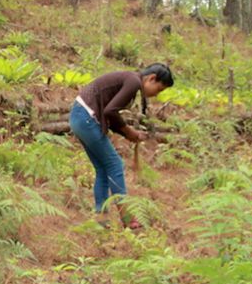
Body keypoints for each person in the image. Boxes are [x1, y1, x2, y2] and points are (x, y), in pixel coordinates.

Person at [68, 63, 174, 226]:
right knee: (115, 164)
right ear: (151, 78)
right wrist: (128, 131)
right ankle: (127, 217)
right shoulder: (133, 81)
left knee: (103, 168)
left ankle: (101, 219)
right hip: (86, 117)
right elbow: (110, 111)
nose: (156, 95)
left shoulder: (130, 79)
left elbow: (109, 112)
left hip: (78, 117)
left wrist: (128, 132)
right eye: (159, 89)